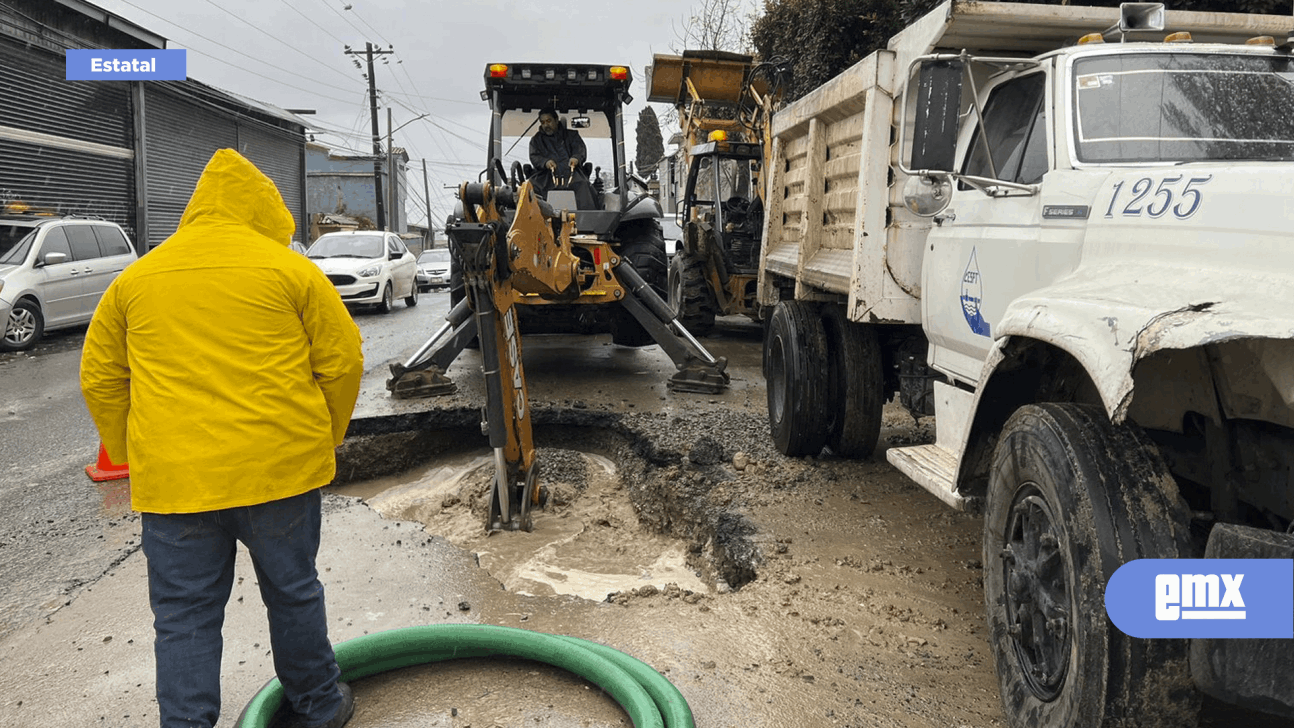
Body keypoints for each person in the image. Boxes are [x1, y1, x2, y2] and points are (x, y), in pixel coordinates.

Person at [80, 148, 364, 728]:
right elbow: (342, 363)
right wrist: (323, 439)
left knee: (183, 616)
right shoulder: (293, 272)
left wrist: (138, 455)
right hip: (279, 474)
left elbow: (101, 379)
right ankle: (319, 705)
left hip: (176, 487)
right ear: (263, 212)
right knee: (293, 592)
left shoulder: (135, 280)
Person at [528, 107, 596, 209]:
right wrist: (545, 162)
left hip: (571, 173)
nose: (546, 125)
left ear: (556, 120)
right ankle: (534, 218)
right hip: (546, 175)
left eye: (549, 121)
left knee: (584, 185)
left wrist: (576, 158)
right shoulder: (536, 140)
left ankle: (586, 218)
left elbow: (579, 149)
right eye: (543, 122)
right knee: (531, 188)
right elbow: (534, 156)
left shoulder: (572, 135)